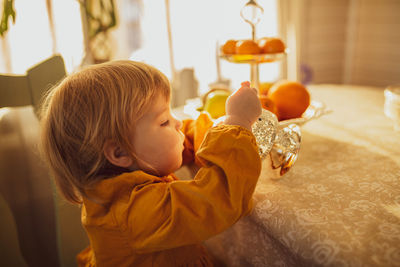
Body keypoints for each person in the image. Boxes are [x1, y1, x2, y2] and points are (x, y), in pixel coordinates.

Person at [40, 60, 262, 266]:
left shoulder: (128, 168)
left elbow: (184, 136)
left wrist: (218, 135)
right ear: (119, 152)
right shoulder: (134, 212)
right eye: (164, 121)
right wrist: (238, 123)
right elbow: (218, 200)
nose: (177, 123)